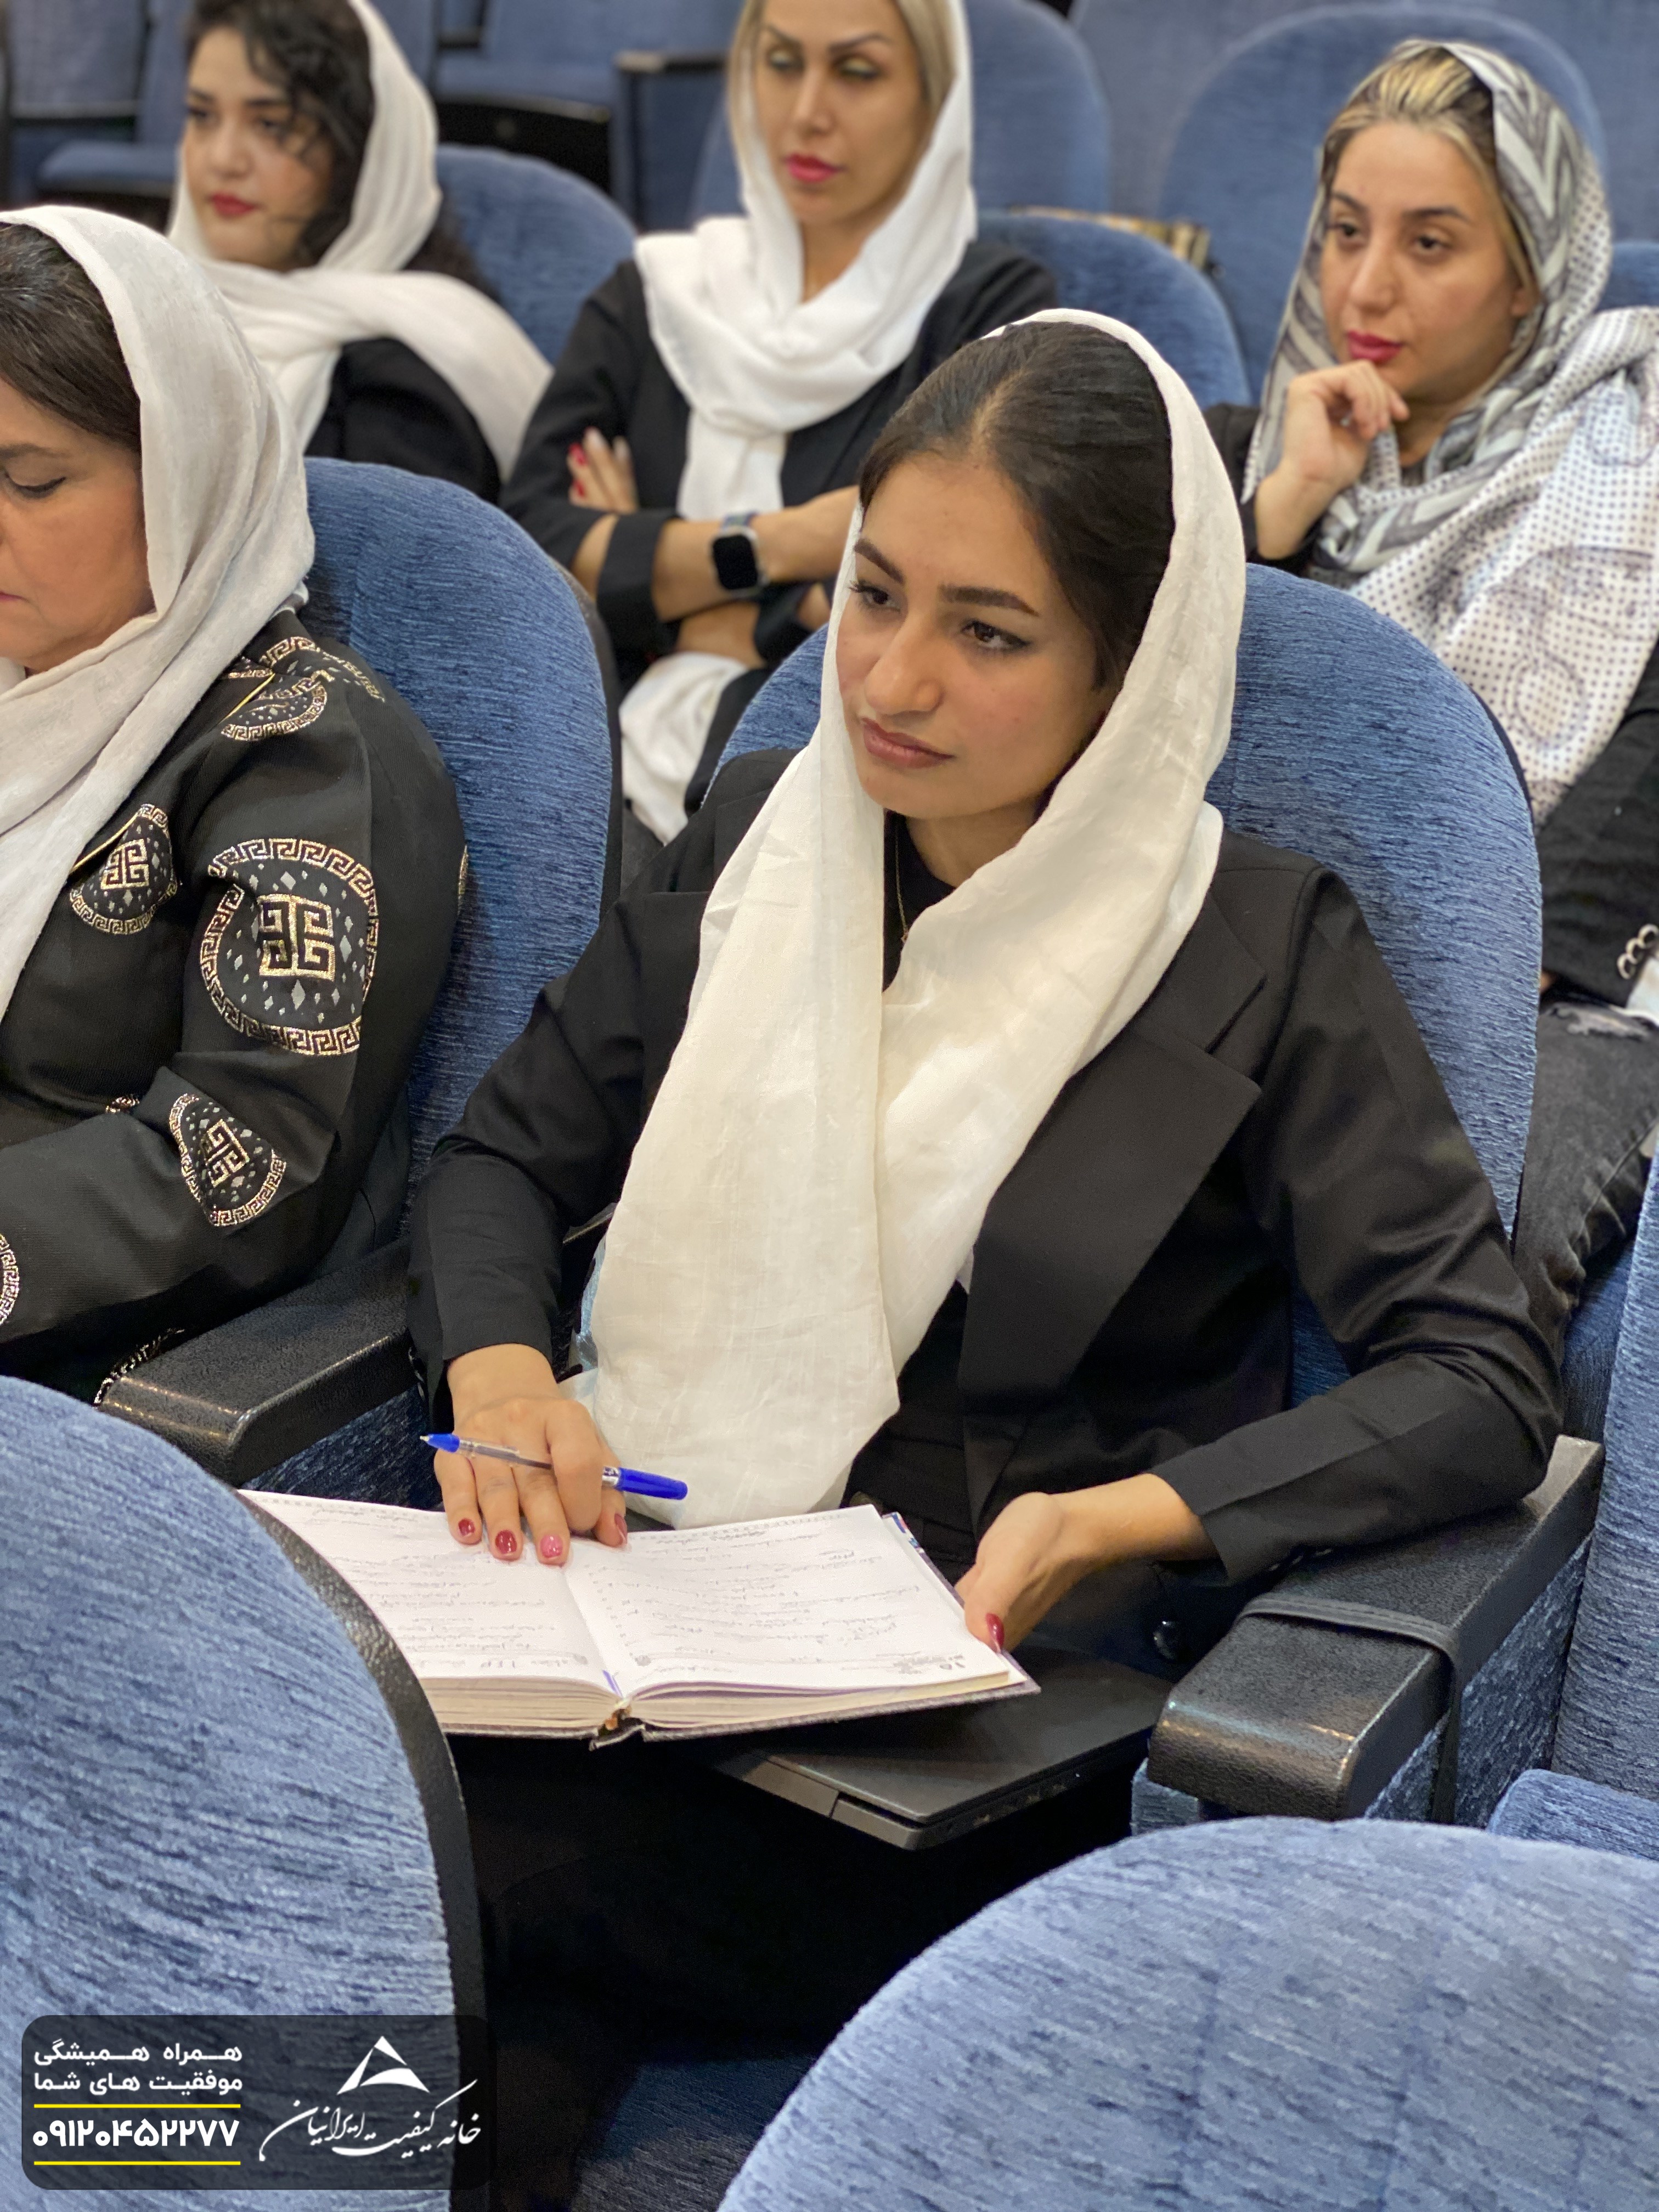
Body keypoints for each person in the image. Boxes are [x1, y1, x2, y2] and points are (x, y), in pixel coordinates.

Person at [408, 313, 1557, 2203]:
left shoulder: (1257, 953)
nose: (889, 679)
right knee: (466, 2009)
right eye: (874, 594)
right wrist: (508, 1373)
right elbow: (503, 1158)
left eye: (990, 632)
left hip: (962, 1733)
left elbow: (1480, 1380)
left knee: (420, 1878)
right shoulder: (775, 838)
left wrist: (1119, 1520)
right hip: (645, 1626)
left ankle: (148, 2116)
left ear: (1128, 670)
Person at [1204, 40, 1659, 1353]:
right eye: (1345, 231)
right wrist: (1286, 509)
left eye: (1430, 243)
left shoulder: (1637, 460)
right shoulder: (1245, 465)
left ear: (1529, 275)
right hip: (1239, 950)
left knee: (1461, 1239)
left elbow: (1639, 779)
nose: (1365, 287)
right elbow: (1134, 716)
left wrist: (1419, 989)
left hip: (1553, 988)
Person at [0, 206, 464, 1401]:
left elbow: (243, 1156)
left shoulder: (304, 755)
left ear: (182, 475)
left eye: (30, 480)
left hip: (86, 1355)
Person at [504, 0, 1056, 856]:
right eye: (782, 63)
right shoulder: (657, 296)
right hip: (592, 748)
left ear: (934, 99)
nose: (807, 113)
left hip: (824, 790)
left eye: (857, 72)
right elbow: (534, 551)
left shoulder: (991, 315)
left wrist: (648, 576)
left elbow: (932, 599)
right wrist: (787, 549)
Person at [171, 0, 549, 500]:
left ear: (356, 152)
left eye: (272, 125)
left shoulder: (409, 384)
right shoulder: (141, 315)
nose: (222, 159)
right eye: (202, 116)